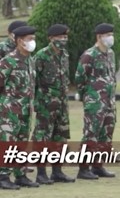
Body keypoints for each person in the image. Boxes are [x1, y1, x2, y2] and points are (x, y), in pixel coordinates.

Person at [31, 24, 75, 184]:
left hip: (62, 105)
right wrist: (38, 102)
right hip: (46, 106)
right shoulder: (41, 56)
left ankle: (57, 171)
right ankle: (41, 173)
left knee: (60, 138)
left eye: (65, 37)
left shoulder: (64, 55)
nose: (63, 40)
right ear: (51, 38)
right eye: (60, 37)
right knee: (43, 138)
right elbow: (32, 82)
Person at [74, 23, 117, 180]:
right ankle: (83, 168)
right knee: (91, 135)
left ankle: (98, 166)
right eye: (108, 35)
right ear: (99, 37)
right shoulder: (89, 55)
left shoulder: (110, 53)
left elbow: (112, 76)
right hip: (95, 103)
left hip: (109, 102)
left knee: (106, 135)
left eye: (112, 34)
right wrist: (89, 96)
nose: (111, 37)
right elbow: (79, 78)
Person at [0, 25, 39, 189]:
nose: (32, 42)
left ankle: (20, 175)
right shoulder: (8, 61)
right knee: (8, 142)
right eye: (29, 39)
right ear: (19, 41)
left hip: (26, 111)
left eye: (34, 39)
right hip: (10, 112)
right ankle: (3, 176)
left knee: (22, 142)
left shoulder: (30, 60)